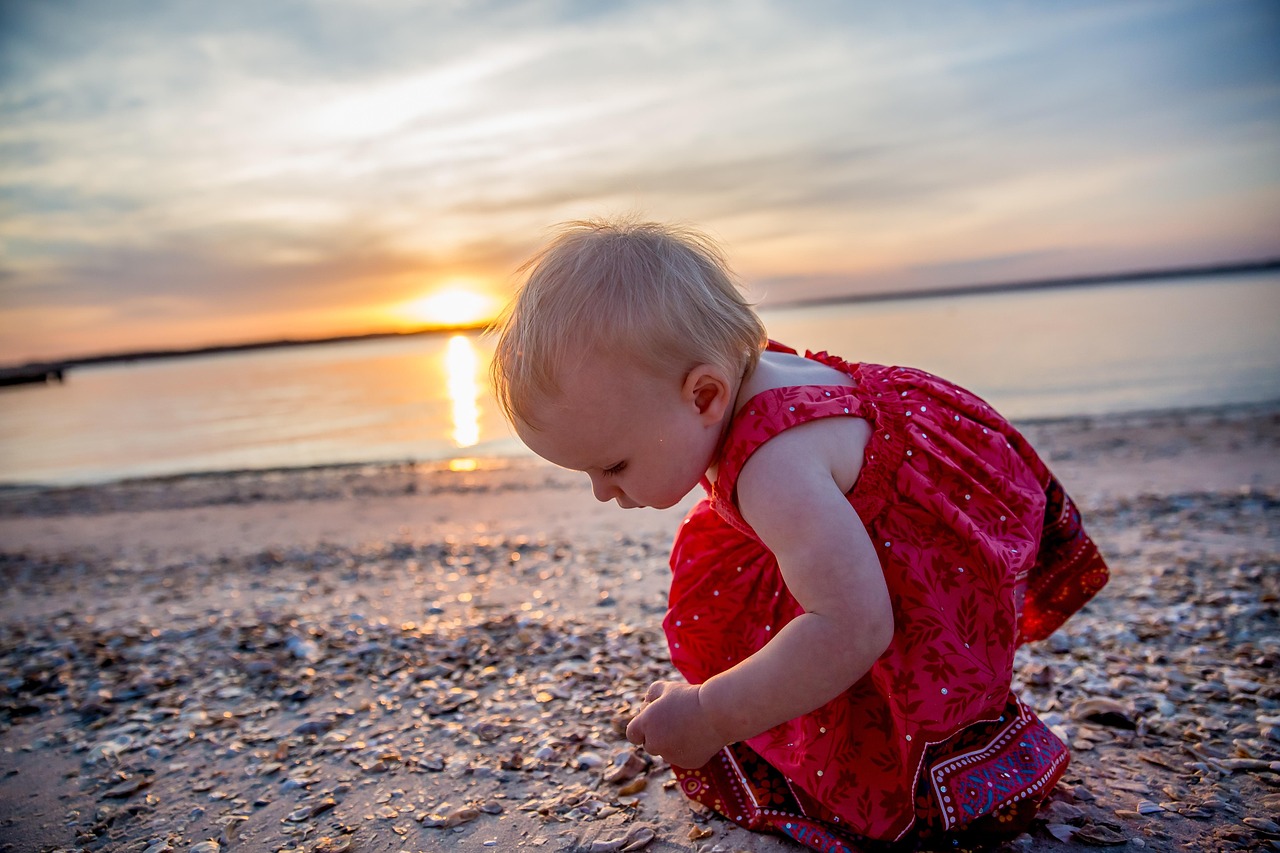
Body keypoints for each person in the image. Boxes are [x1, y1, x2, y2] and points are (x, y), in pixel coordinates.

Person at [489, 217, 1110, 851]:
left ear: (703, 396)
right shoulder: (745, 378)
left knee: (855, 652)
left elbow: (853, 626)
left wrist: (710, 716)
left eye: (613, 465)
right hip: (878, 509)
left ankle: (934, 769)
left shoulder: (774, 468)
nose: (601, 491)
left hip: (925, 552)